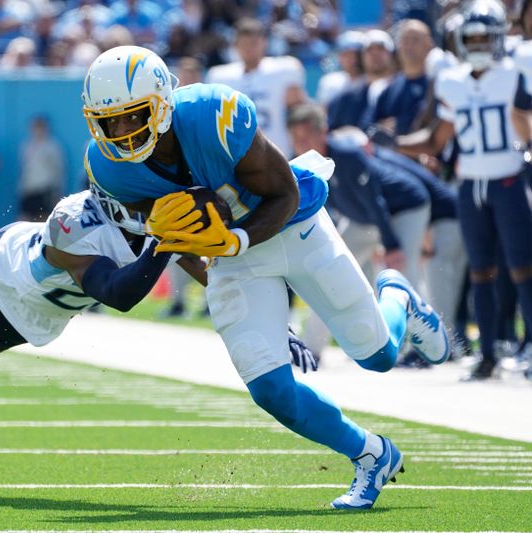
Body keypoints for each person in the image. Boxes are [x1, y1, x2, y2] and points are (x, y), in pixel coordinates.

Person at [81, 45, 451, 510]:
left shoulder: (213, 114)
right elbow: (177, 244)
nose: (120, 131)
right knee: (271, 388)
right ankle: (370, 454)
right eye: (108, 121)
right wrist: (220, 266)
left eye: (132, 116)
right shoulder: (110, 169)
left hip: (293, 227)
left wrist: (234, 240)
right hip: (232, 260)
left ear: (161, 103)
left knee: (378, 356)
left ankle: (398, 297)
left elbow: (285, 193)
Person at [0, 186, 317, 428]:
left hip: (49, 307)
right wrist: (162, 244)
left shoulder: (159, 225)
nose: (151, 212)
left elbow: (215, 279)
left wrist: (269, 323)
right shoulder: (77, 220)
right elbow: (117, 293)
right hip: (7, 269)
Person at [398, 0, 532, 380]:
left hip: (509, 180)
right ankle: (487, 353)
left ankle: (527, 346)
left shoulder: (515, 71)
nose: (475, 43)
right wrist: (395, 143)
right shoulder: (451, 79)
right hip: (470, 183)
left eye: (481, 36)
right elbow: (438, 139)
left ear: (499, 38)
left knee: (523, 269)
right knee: (480, 273)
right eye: (469, 36)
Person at [205, 17, 306, 157]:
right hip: (236, 155)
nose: (249, 48)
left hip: (276, 152)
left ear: (264, 42)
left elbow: (299, 110)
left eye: (253, 43)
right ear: (235, 46)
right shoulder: (220, 76)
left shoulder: (284, 70)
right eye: (244, 44)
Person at [17, 115, 65, 222]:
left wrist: (57, 192)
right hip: (29, 190)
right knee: (24, 221)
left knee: (43, 221)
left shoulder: (52, 146)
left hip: (45, 190)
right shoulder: (26, 146)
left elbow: (58, 170)